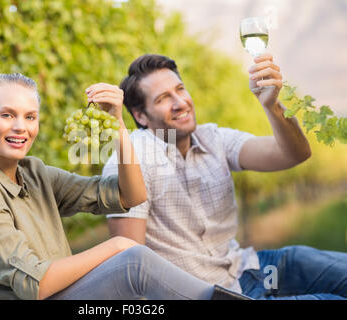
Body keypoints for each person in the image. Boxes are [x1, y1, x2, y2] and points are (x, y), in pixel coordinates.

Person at [0, 73, 251, 300]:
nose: (21, 127)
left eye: (30, 117)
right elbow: (35, 284)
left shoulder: (35, 173)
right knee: (134, 262)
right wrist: (118, 246)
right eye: (7, 115)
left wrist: (118, 126)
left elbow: (131, 195)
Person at [103, 54, 347, 300]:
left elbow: (294, 154)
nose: (180, 103)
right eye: (163, 98)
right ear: (141, 116)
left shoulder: (214, 138)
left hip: (250, 268)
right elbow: (131, 264)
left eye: (180, 89)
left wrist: (271, 105)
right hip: (211, 294)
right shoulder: (130, 162)